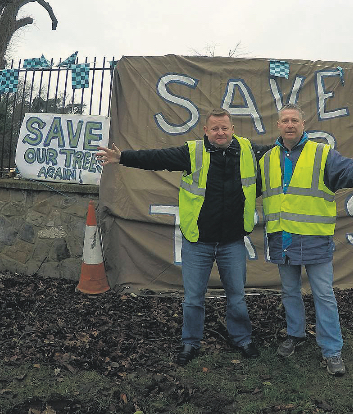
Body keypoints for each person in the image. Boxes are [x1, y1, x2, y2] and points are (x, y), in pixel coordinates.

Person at [96, 109, 263, 367]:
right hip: (198, 241)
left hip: (232, 242)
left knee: (237, 296)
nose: (220, 133)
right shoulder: (192, 152)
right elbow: (158, 158)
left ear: (233, 129)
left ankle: (242, 339)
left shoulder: (249, 151)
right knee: (193, 298)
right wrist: (122, 157)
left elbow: (280, 155)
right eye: (215, 128)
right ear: (206, 131)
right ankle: (190, 342)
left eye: (224, 128)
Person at [259, 103, 353, 376]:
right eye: (285, 120)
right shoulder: (267, 159)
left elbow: (350, 171)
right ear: (278, 125)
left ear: (303, 124)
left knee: (324, 295)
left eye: (294, 120)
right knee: (290, 292)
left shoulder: (321, 153)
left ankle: (332, 350)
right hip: (282, 239)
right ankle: (295, 334)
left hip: (314, 239)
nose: (290, 124)